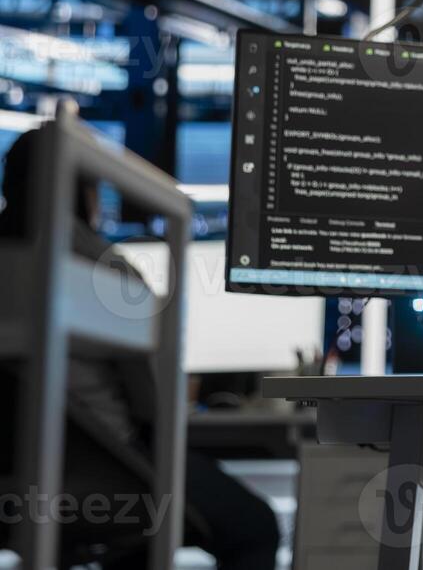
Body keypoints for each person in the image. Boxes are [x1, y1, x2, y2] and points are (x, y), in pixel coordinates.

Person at [0, 128, 280, 570]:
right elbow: (154, 406)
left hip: (13, 483)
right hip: (101, 479)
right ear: (86, 191)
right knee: (255, 526)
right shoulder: (103, 268)